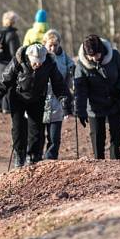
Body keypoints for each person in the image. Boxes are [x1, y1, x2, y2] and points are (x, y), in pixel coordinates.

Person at [0, 43, 74, 167]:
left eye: (40, 62)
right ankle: (19, 154)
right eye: (35, 62)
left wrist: (66, 107)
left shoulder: (49, 63)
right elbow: (4, 81)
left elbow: (59, 85)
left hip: (37, 98)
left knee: (36, 130)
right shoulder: (19, 61)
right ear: (29, 58)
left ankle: (33, 157)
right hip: (17, 97)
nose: (38, 65)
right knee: (18, 128)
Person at [74, 34, 120, 160]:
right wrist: (80, 110)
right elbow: (80, 90)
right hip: (94, 105)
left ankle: (115, 158)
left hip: (115, 100)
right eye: (91, 56)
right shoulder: (81, 66)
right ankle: (99, 161)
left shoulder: (114, 56)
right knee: (97, 136)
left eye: (97, 55)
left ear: (102, 51)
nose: (94, 59)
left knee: (117, 132)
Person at [42, 29, 75, 160]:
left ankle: (50, 158)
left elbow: (71, 65)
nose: (53, 48)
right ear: (44, 44)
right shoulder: (40, 56)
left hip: (57, 100)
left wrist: (73, 70)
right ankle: (35, 158)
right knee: (38, 136)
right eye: (50, 45)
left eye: (55, 45)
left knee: (54, 137)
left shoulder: (63, 56)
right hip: (42, 99)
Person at [0, 10, 22, 113]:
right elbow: (14, 53)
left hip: (0, 64)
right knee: (10, 85)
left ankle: (0, 106)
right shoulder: (12, 35)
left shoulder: (0, 33)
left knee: (1, 83)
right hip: (9, 63)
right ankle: (6, 107)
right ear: (13, 21)